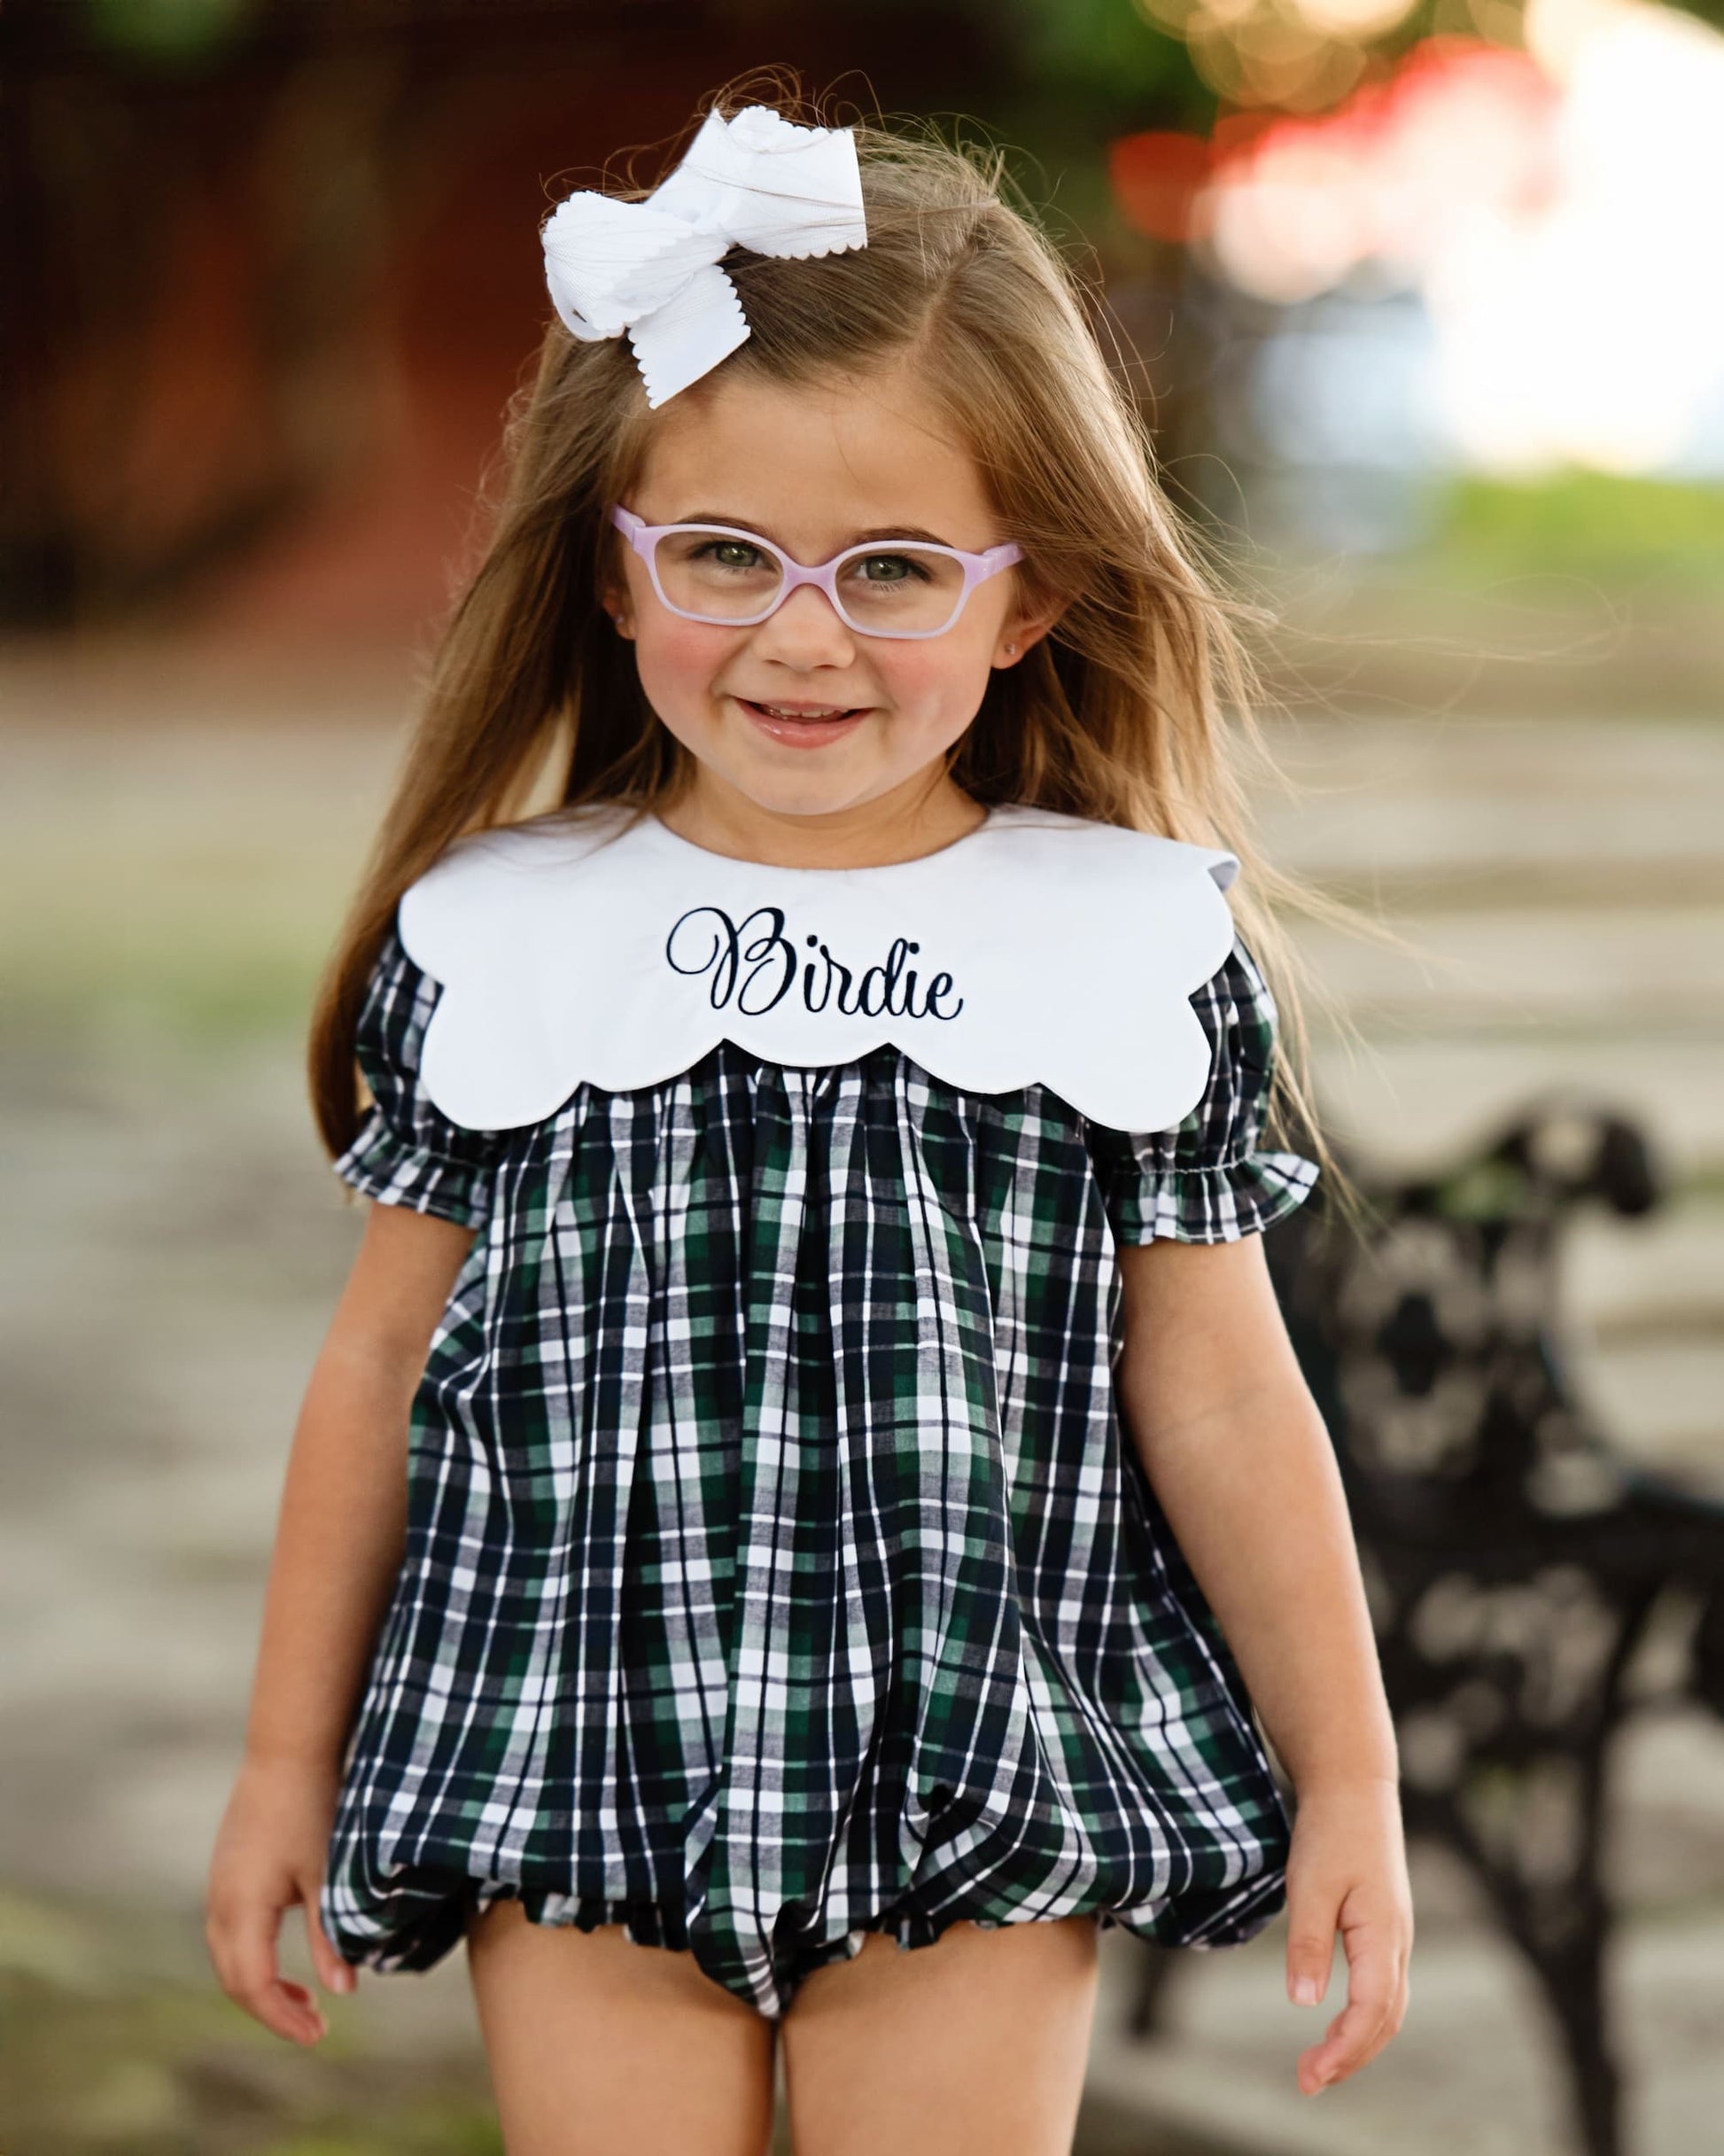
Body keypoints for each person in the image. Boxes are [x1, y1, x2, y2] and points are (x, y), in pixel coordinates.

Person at [205, 90, 1412, 2156]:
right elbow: (383, 1362)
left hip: (977, 1764)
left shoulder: (1119, 950)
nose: (798, 631)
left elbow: (1217, 1387)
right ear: (613, 566)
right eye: (725, 553)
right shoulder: (499, 940)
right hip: (574, 1749)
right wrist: (279, 1764)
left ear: (1027, 599)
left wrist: (1347, 1773)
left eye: (893, 569)